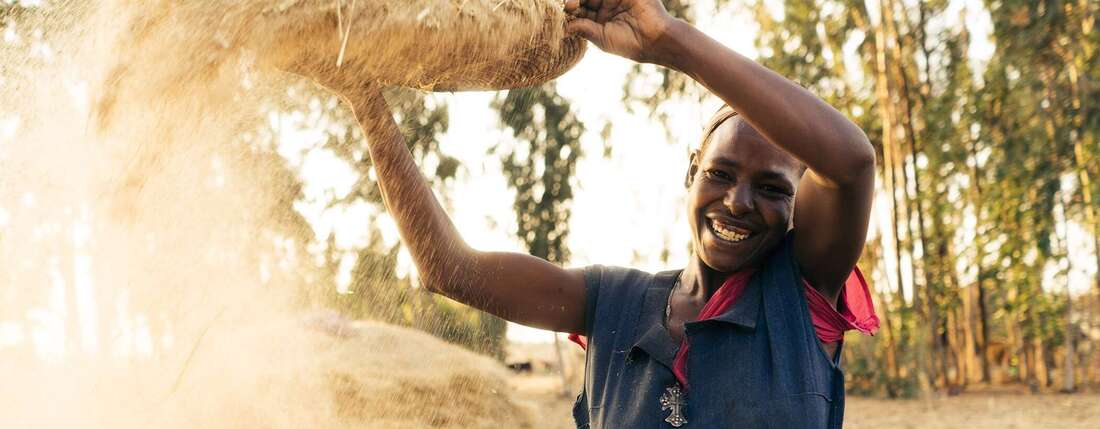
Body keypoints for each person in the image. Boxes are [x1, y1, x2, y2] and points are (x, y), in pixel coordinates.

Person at [298, 0, 879, 427]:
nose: (737, 202)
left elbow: (851, 163)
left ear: (800, 206)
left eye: (772, 188)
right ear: (691, 172)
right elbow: (448, 269)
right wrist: (365, 101)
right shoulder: (613, 303)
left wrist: (667, 42)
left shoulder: (804, 300)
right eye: (720, 175)